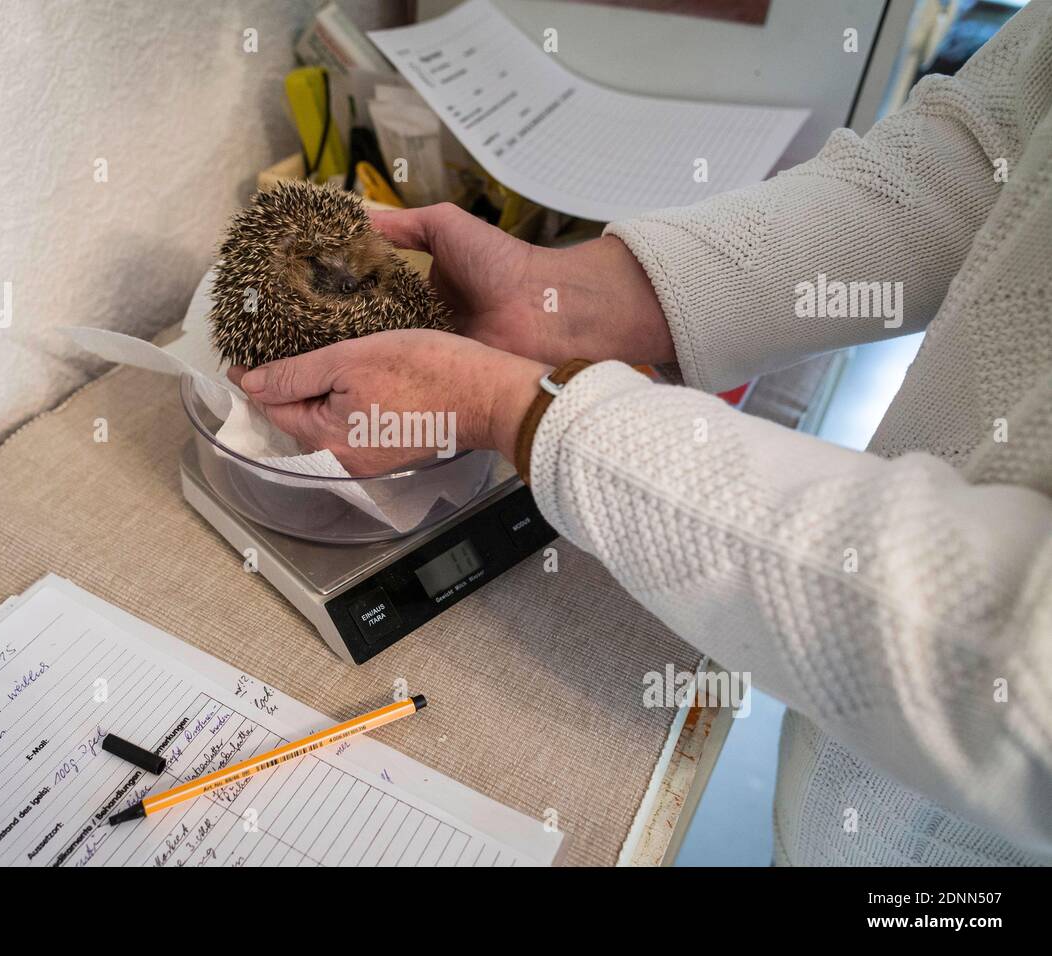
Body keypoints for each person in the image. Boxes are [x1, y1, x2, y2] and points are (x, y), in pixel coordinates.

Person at [231, 5, 1052, 864]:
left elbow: (1020, 662)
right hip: (840, 792)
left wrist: (517, 410)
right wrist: (565, 297)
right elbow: (983, 156)